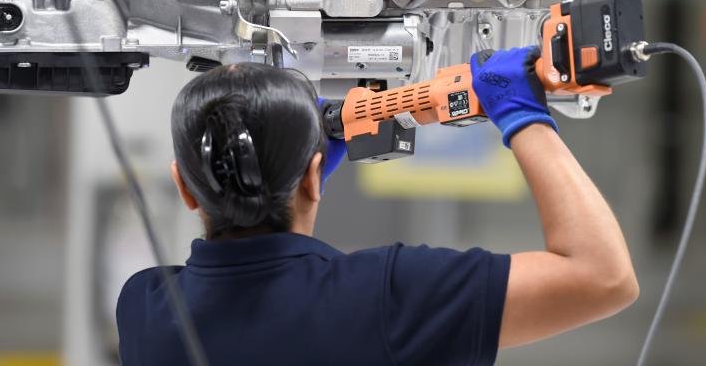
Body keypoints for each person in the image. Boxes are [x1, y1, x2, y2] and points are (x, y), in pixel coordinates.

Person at [116, 47, 638, 365]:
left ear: (184, 188)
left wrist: (299, 180)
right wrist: (522, 115)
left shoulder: (144, 308)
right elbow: (603, 277)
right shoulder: (387, 297)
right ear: (316, 177)